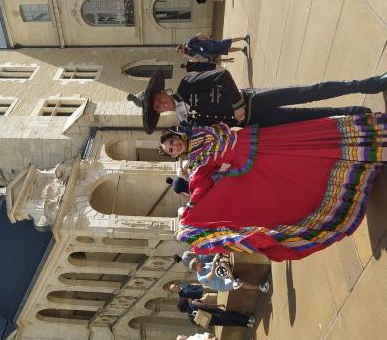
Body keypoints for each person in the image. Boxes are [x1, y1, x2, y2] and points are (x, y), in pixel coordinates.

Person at [157, 113, 387, 261]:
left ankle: (365, 142)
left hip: (260, 141)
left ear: (176, 135)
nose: (174, 146)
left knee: (304, 145)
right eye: (171, 150)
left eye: (172, 142)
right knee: (301, 173)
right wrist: (190, 213)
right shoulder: (197, 164)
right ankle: (358, 164)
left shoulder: (200, 130)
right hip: (254, 163)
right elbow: (201, 186)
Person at [128, 68, 386, 134]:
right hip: (255, 125)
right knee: (310, 118)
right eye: (156, 108)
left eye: (157, 99)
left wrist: (237, 105)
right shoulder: (186, 124)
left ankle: (373, 83)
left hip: (255, 101)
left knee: (312, 91)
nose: (160, 105)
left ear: (162, 92)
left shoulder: (187, 85)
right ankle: (356, 112)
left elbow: (223, 76)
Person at [177, 297, 254, 328]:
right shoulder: (193, 303)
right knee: (231, 315)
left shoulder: (190, 316)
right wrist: (217, 305)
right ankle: (249, 319)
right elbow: (206, 306)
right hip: (215, 313)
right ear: (185, 302)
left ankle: (247, 324)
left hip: (213, 321)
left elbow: (197, 325)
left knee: (230, 323)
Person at [177, 33, 249, 62]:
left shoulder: (190, 42)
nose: (183, 51)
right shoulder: (189, 53)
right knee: (227, 50)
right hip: (211, 53)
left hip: (212, 45)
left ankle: (244, 38)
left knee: (228, 41)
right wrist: (187, 56)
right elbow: (196, 60)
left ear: (182, 46)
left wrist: (208, 38)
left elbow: (199, 35)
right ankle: (241, 49)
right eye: (181, 52)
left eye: (182, 50)